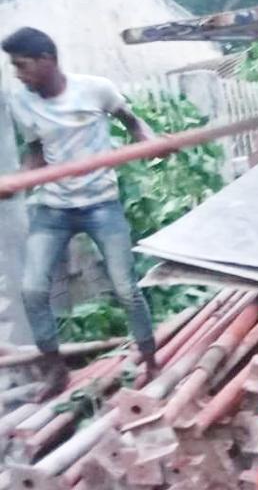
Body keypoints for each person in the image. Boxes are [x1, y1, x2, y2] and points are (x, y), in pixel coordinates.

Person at [0, 27, 159, 400]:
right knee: (33, 289)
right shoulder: (22, 101)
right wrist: (19, 181)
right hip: (54, 207)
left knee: (125, 288)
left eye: (22, 66)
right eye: (14, 68)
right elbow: (36, 151)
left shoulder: (96, 89)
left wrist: (147, 142)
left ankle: (151, 360)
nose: (18, 74)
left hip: (101, 203)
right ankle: (56, 370)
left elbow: (130, 121)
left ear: (47, 60)